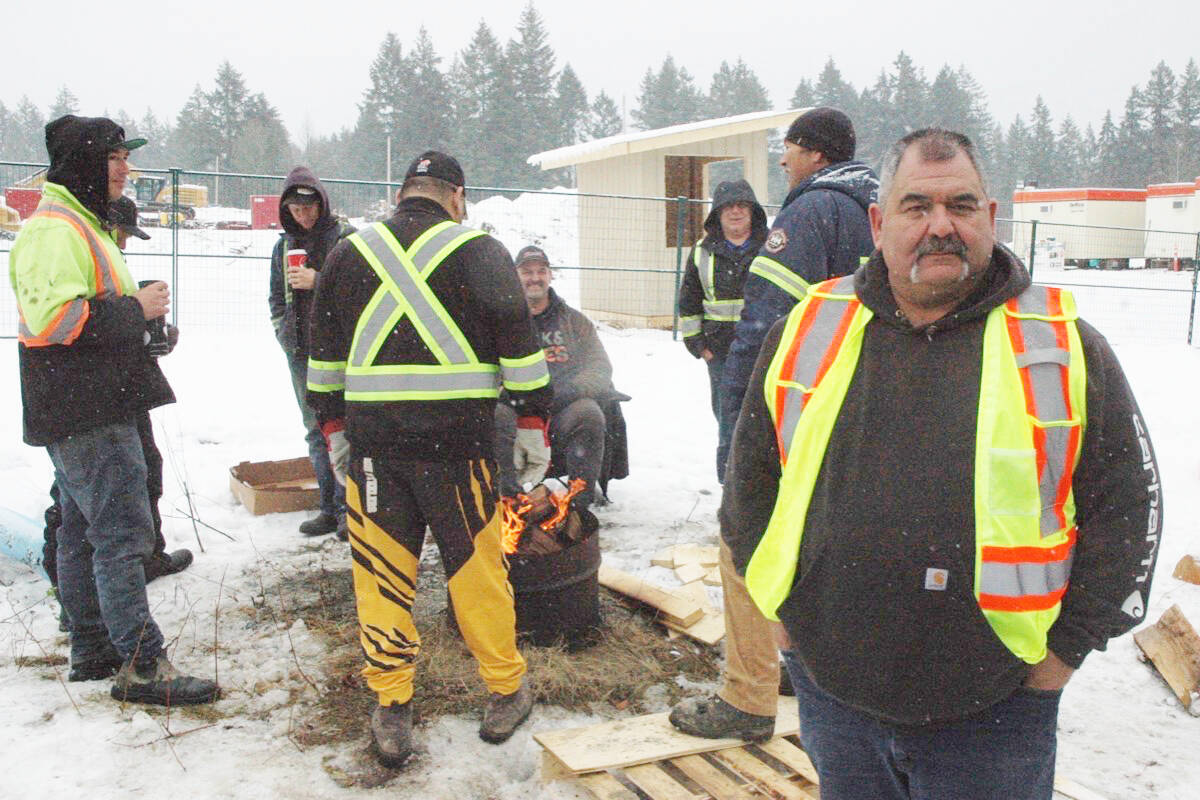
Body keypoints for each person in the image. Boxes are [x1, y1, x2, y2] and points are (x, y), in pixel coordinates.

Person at [726, 128, 1162, 799]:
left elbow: (1129, 509)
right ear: (878, 223)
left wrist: (1063, 654)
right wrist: (783, 620)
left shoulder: (1062, 346)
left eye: (960, 205)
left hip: (998, 712)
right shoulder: (809, 332)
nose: (940, 227)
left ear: (990, 218)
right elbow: (749, 487)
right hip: (835, 699)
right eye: (915, 207)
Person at [306, 151, 552, 767]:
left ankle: (392, 707)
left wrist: (332, 426)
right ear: (457, 197)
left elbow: (323, 351)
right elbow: (518, 343)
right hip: (458, 448)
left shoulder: (348, 254)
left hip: (375, 452)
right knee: (477, 574)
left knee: (382, 578)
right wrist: (532, 421)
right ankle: (505, 688)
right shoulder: (481, 252)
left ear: (402, 194)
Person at [670, 107, 877, 742]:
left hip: (795, 416)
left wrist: (737, 428)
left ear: (814, 153)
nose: (782, 160)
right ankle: (802, 663)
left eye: (787, 149)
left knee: (746, 539)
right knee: (824, 546)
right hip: (856, 416)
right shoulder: (880, 211)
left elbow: (766, 325)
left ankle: (748, 695)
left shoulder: (810, 213)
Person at [9, 115, 219, 704]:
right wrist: (136, 310)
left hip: (86, 401)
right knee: (121, 534)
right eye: (115, 158)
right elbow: (56, 322)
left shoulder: (80, 224)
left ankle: (94, 647)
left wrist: (144, 327)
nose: (127, 168)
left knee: (83, 530)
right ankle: (141, 664)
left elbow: (83, 312)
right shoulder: (56, 230)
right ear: (83, 165)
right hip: (87, 408)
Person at [41, 195, 193, 597]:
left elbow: (111, 327)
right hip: (88, 400)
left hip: (124, 389)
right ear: (106, 228)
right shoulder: (68, 251)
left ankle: (147, 557)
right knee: (80, 502)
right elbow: (75, 330)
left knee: (144, 473)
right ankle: (74, 594)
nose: (124, 244)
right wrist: (135, 321)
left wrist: (153, 336)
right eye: (122, 234)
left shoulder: (106, 261)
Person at [494, 245, 625, 510]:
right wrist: (508, 397)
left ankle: (577, 508)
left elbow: (600, 368)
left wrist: (568, 392)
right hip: (513, 408)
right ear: (514, 276)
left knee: (588, 414)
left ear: (550, 276)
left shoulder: (575, 322)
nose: (534, 278)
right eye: (526, 272)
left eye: (541, 271)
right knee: (494, 417)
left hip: (562, 409)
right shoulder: (499, 320)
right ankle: (507, 505)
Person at [269, 167, 355, 538]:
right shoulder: (282, 246)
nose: (302, 216)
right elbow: (275, 298)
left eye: (308, 207)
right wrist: (283, 334)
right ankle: (329, 509)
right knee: (316, 429)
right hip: (301, 353)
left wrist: (319, 281)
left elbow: (362, 291)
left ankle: (352, 510)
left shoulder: (345, 239)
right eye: (295, 209)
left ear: (322, 203)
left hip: (342, 352)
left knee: (348, 428)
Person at [675, 179, 767, 481]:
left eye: (742, 205)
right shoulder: (702, 251)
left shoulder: (771, 247)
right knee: (729, 423)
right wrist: (699, 346)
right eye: (728, 206)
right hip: (721, 353)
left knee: (766, 421)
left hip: (766, 349)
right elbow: (688, 300)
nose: (736, 211)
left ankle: (764, 489)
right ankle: (731, 491)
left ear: (753, 211)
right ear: (717, 213)